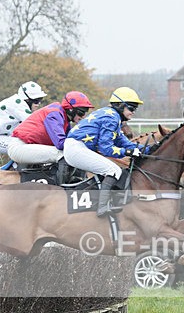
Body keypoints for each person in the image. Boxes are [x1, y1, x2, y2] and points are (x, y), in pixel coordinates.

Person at [64, 87, 158, 217]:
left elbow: (126, 144)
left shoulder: (112, 116)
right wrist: (128, 152)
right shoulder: (111, 117)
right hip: (76, 149)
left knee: (112, 169)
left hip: (77, 148)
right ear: (120, 105)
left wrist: (150, 149)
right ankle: (102, 207)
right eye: (131, 108)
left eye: (135, 109)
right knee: (113, 170)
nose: (133, 112)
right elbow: (106, 149)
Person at [6, 91, 93, 167]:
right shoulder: (55, 114)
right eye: (81, 113)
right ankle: (62, 185)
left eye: (85, 113)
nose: (83, 117)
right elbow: (61, 144)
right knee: (63, 154)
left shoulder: (64, 118)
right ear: (70, 110)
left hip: (28, 146)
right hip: (20, 146)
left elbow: (70, 140)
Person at [0, 81, 47, 157]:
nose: (38, 104)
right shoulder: (18, 104)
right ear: (26, 99)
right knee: (22, 148)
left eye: (40, 100)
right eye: (36, 101)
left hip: (2, 136)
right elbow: (35, 124)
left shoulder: (19, 103)